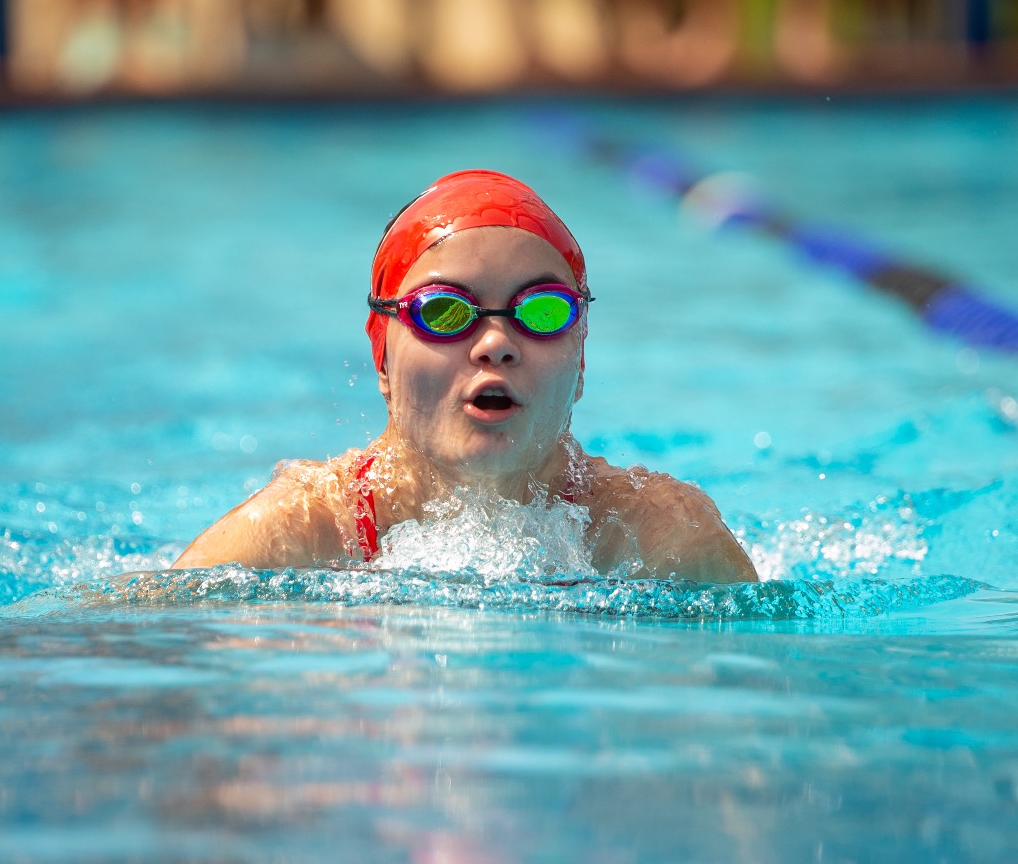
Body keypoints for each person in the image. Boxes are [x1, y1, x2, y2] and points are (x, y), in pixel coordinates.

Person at [173, 169, 758, 583]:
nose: (497, 343)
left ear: (580, 360)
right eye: (444, 312)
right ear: (382, 359)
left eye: (542, 311)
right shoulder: (297, 533)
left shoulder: (661, 538)